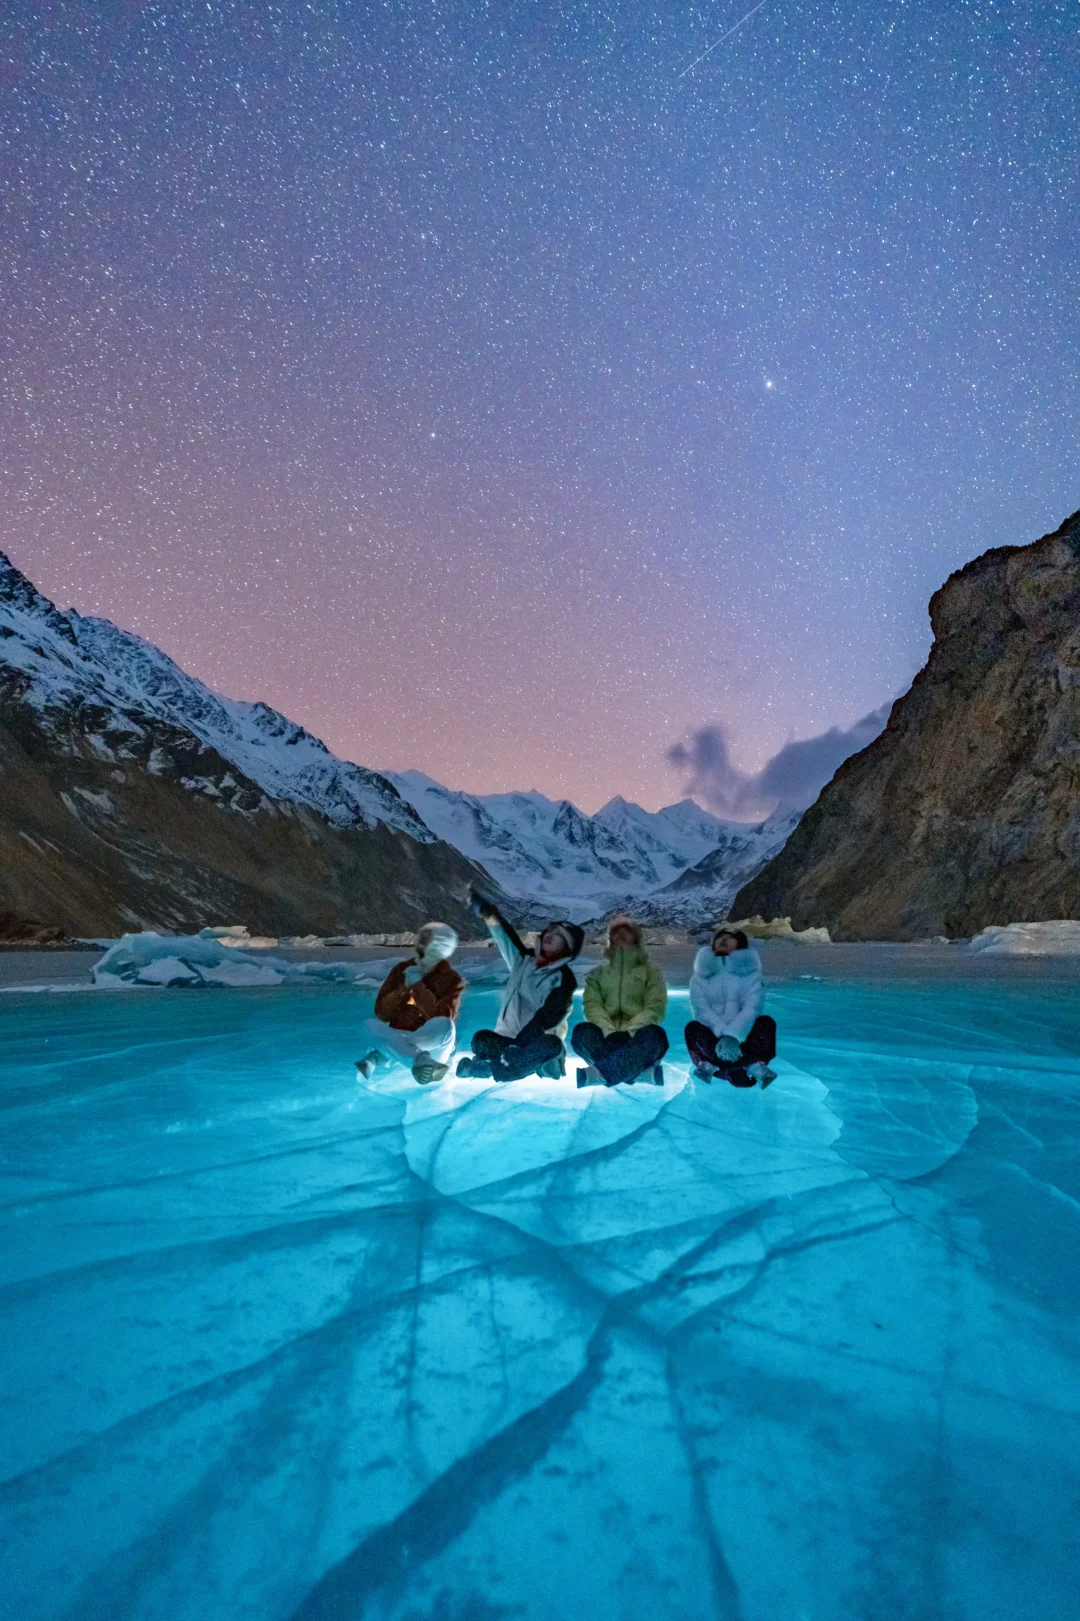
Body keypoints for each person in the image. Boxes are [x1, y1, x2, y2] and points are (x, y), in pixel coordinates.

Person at [456, 890, 584, 1082]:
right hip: (507, 1039)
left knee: (551, 1045)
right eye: (550, 930)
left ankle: (491, 1069)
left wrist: (518, 1047)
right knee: (480, 1040)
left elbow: (543, 1021)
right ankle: (506, 1062)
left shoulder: (562, 980)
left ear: (568, 946)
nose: (550, 935)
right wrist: (488, 912)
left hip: (532, 1042)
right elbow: (505, 938)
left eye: (559, 935)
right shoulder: (523, 961)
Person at [356, 922, 465, 1085]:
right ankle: (418, 1060)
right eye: (422, 939)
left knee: (446, 1026)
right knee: (367, 1025)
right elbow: (382, 1013)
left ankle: (380, 1057)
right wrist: (402, 990)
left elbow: (442, 1016)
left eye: (429, 940)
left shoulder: (452, 980)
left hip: (431, 1048)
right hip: (401, 1039)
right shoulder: (401, 970)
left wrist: (418, 989)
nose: (423, 945)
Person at [571, 916, 668, 1086]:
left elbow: (655, 1006)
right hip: (605, 1038)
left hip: (638, 1038)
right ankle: (637, 1073)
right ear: (610, 938)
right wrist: (608, 1032)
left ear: (636, 938)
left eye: (627, 932)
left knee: (656, 1035)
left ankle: (602, 1073)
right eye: (616, 932)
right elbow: (592, 1006)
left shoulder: (651, 973)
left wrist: (630, 1032)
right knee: (582, 1032)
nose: (621, 935)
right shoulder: (597, 974)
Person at [686, 926, 777, 1087]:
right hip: (714, 1044)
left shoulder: (752, 977)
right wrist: (723, 1035)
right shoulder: (699, 979)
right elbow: (701, 1010)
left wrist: (734, 1036)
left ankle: (719, 1067)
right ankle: (750, 1065)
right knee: (693, 1028)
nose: (724, 943)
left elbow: (753, 1008)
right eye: (721, 940)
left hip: (744, 1041)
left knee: (766, 1022)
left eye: (729, 941)